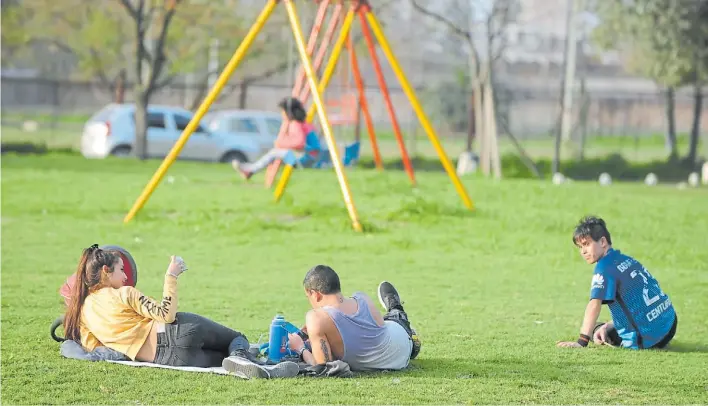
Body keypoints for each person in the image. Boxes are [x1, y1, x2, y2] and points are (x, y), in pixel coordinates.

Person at [64, 244, 299, 379]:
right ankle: (247, 358)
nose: (126, 276)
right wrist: (171, 276)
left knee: (222, 361)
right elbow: (166, 314)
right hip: (180, 332)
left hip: (170, 359)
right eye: (120, 270)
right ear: (106, 271)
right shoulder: (124, 293)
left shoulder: (83, 314)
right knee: (237, 338)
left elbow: (95, 349)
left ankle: (255, 366)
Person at [556, 216, 678, 350]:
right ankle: (610, 328)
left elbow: (594, 304)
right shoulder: (626, 259)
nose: (583, 251)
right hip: (669, 322)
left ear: (602, 242)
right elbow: (638, 304)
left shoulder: (604, 267)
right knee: (601, 327)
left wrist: (581, 341)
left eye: (586, 244)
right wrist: (609, 326)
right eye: (580, 247)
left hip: (649, 337)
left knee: (592, 328)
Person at [286, 265, 422, 371]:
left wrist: (300, 348)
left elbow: (323, 366)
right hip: (402, 348)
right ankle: (404, 324)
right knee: (393, 321)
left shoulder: (314, 318)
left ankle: (395, 306)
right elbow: (373, 332)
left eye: (308, 297)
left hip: (398, 358)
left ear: (315, 294)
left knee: (393, 318)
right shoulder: (362, 298)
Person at [232, 97, 314, 180]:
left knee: (274, 153)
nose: (282, 113)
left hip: (303, 159)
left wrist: (281, 143)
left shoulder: (295, 124)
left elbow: (299, 142)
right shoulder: (303, 124)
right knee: (275, 154)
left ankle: (251, 169)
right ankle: (251, 169)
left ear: (289, 112)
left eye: (283, 111)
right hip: (310, 157)